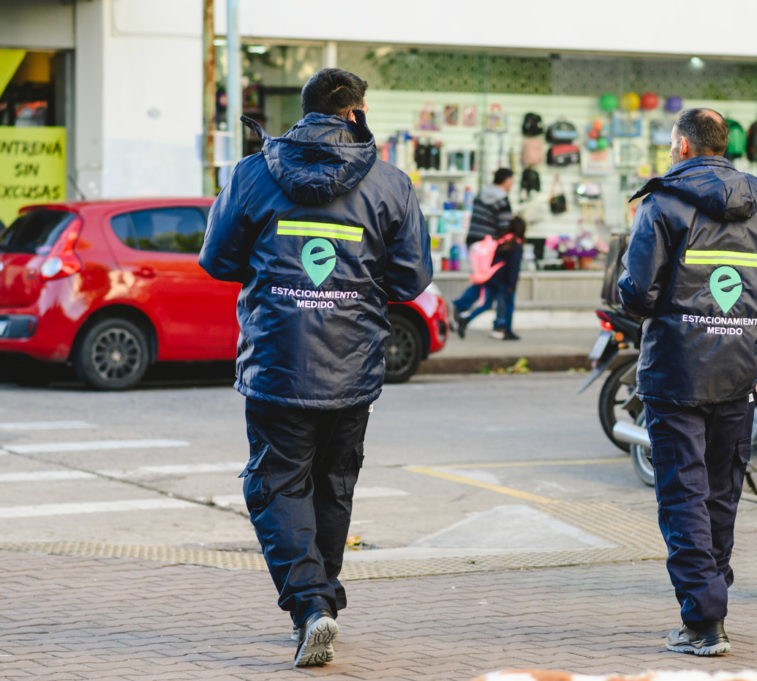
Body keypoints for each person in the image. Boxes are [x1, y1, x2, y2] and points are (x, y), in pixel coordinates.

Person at [199, 67, 431, 667]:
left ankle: (312, 607)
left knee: (276, 483)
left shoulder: (253, 174)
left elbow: (218, 260)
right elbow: (411, 278)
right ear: (355, 112)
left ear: (303, 114)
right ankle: (319, 602)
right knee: (332, 485)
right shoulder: (389, 183)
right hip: (352, 366)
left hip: (277, 361)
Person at [618, 108, 757, 656]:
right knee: (721, 493)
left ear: (681, 145)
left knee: (683, 496)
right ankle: (711, 599)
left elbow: (637, 291)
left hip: (676, 371)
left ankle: (703, 620)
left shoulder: (663, 203)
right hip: (740, 372)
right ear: (724, 145)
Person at [452, 168, 515, 338]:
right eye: (512, 180)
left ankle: (461, 307)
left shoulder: (482, 194)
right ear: (507, 181)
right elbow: (505, 226)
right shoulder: (502, 199)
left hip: (474, 241)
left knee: (482, 279)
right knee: (490, 280)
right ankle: (497, 322)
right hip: (488, 245)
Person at [459, 216, 526, 338]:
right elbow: (513, 267)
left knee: (486, 304)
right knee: (508, 305)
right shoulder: (515, 244)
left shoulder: (502, 240)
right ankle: (507, 331)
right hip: (505, 281)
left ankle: (466, 319)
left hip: (492, 278)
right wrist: (512, 284)